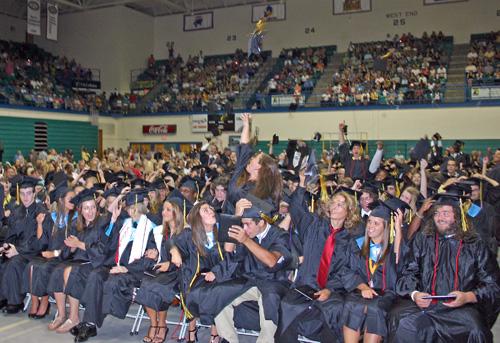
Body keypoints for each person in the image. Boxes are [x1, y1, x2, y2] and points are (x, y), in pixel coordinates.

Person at [389, 194, 500, 342]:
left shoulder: (475, 245)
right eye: (436, 213)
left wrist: (467, 297)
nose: (440, 217)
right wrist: (415, 294)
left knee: (476, 330)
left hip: (461, 309)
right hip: (425, 307)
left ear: (458, 215)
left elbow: (492, 285)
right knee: (401, 321)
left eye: (446, 213)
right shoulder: (423, 240)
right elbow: (408, 272)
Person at [278, 172, 361, 342]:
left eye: (340, 205)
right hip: (306, 284)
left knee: (335, 311)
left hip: (331, 290)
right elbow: (296, 209)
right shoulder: (314, 225)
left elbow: (347, 271)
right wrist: (301, 184)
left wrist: (329, 290)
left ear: (349, 212)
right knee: (287, 306)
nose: (334, 207)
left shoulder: (349, 241)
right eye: (334, 203)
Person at [73, 189, 158, 342]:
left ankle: (89, 323)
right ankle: (89, 323)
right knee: (95, 274)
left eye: (135, 208)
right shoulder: (123, 224)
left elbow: (150, 259)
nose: (131, 212)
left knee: (111, 283)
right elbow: (108, 243)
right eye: (130, 208)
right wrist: (113, 221)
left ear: (142, 209)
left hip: (132, 271)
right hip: (114, 265)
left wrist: (127, 268)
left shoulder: (152, 228)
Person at [214, 197, 293, 343]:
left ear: (261, 222)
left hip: (274, 283)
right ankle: (229, 339)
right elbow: (228, 249)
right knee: (219, 293)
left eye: (247, 224)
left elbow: (271, 261)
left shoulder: (279, 235)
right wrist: (236, 216)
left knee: (270, 299)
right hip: (249, 281)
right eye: (242, 225)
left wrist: (246, 240)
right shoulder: (247, 233)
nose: (244, 229)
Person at [46, 189, 108, 333]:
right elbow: (67, 250)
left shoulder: (102, 223)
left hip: (94, 264)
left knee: (71, 271)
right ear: (80, 209)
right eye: (86, 208)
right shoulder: (76, 225)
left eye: (93, 207)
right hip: (78, 261)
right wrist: (72, 248)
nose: (90, 211)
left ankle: (74, 317)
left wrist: (80, 244)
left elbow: (102, 251)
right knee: (58, 271)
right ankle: (61, 314)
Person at [342, 203, 405, 343]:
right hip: (360, 291)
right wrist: (363, 287)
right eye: (369, 221)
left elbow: (400, 261)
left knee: (374, 308)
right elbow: (346, 270)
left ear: (386, 227)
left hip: (384, 293)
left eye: (376, 223)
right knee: (352, 305)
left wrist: (398, 229)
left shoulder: (391, 249)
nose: (370, 226)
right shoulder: (357, 245)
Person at [174, 202, 233, 343]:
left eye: (211, 208)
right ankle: (192, 329)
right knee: (189, 290)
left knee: (216, 293)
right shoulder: (190, 234)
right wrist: (173, 251)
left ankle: (214, 334)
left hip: (221, 274)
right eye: (205, 210)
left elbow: (232, 258)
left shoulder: (224, 231)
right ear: (198, 218)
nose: (211, 211)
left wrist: (216, 273)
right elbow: (172, 242)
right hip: (196, 275)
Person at [22, 184, 76, 319]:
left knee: (45, 268)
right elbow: (42, 243)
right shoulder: (52, 217)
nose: (74, 202)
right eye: (70, 199)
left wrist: (55, 253)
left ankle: (45, 300)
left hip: (65, 257)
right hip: (50, 254)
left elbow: (72, 247)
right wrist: (40, 224)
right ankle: (35, 301)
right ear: (61, 201)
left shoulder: (76, 219)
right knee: (32, 265)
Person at [135, 199, 185, 343]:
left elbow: (189, 258)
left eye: (168, 209)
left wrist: (169, 265)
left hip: (180, 273)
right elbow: (154, 251)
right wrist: (154, 254)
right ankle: (154, 323)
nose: (164, 212)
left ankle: (162, 325)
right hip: (161, 271)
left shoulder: (186, 232)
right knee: (145, 283)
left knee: (158, 287)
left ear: (177, 212)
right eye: (163, 209)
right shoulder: (158, 231)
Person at [0, 176, 52, 314]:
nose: (25, 197)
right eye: (22, 193)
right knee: (2, 259)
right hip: (18, 250)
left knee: (14, 263)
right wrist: (6, 246)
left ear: (34, 194)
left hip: (34, 253)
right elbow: (11, 235)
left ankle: (15, 301)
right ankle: (3, 298)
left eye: (29, 193)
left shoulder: (42, 213)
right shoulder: (17, 212)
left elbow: (42, 242)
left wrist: (18, 250)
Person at [228, 113, 283, 209]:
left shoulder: (264, 191)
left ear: (259, 166)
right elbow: (244, 146)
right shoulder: (241, 171)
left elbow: (267, 211)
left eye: (255, 158)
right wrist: (246, 125)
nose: (251, 158)